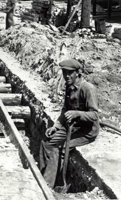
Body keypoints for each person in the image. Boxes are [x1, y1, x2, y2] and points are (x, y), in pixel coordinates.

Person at [39, 59, 99, 188]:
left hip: (86, 132)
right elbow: (65, 110)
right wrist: (56, 127)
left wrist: (78, 114)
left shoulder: (87, 88)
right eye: (64, 72)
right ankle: (44, 174)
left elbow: (94, 115)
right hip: (71, 128)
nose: (66, 76)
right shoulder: (69, 86)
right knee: (47, 142)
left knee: (61, 148)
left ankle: (49, 184)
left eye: (70, 73)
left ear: (78, 73)